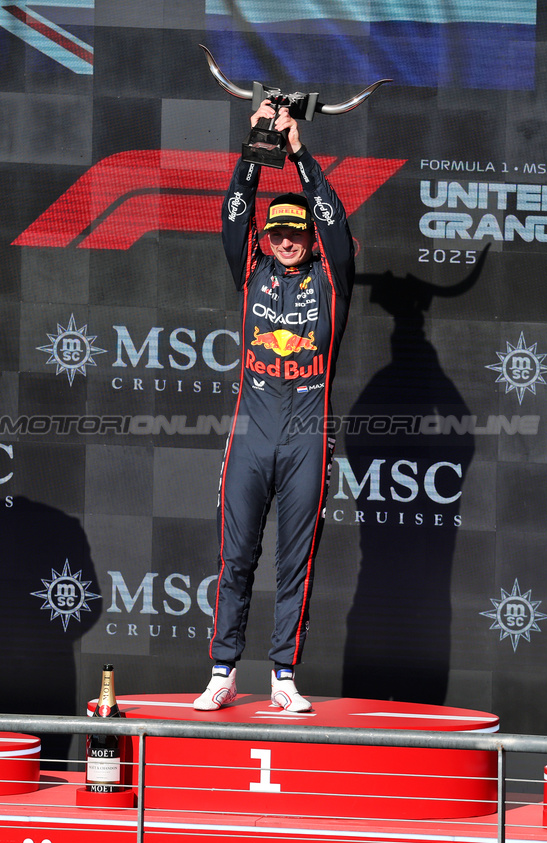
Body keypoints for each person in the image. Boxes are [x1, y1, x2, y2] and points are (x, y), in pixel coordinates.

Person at [193, 100, 355, 713]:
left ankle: (283, 674)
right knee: (235, 559)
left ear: (310, 237)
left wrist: (299, 151)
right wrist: (256, 147)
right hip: (252, 437)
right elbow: (233, 214)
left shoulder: (333, 274)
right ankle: (223, 669)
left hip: (308, 438)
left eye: (296, 233)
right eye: (277, 234)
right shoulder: (251, 271)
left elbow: (336, 220)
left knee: (296, 562)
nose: (286, 241)